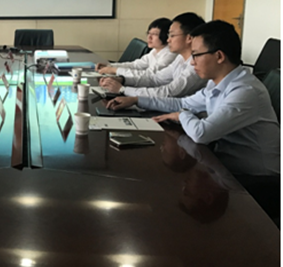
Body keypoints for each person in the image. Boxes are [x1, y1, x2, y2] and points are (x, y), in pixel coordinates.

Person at [107, 20, 280, 177]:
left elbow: (201, 133)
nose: (191, 62)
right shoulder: (216, 83)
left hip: (256, 179)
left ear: (219, 56)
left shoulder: (245, 91)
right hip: (225, 164)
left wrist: (182, 114)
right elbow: (181, 102)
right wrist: (136, 100)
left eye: (196, 55)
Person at [100, 12, 207, 98]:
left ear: (189, 38)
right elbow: (155, 79)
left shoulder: (196, 65)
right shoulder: (180, 58)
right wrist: (123, 80)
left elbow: (168, 92)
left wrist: (123, 89)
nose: (168, 40)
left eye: (172, 35)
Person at [96, 17, 177, 77]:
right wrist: (110, 66)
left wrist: (115, 70)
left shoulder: (170, 54)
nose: (149, 37)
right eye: (148, 33)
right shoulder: (155, 50)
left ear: (166, 36)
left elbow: (149, 74)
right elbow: (135, 65)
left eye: (154, 34)